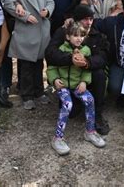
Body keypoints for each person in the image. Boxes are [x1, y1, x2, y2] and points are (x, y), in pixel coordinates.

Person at [45, 4, 111, 135]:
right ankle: (76, 102)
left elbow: (103, 57)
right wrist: (71, 59)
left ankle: (97, 114)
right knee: (72, 112)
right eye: (85, 19)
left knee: (99, 74)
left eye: (91, 19)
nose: (89, 22)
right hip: (68, 77)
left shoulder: (96, 33)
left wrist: (87, 62)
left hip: (86, 76)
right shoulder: (64, 31)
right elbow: (50, 53)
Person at [47, 22, 106, 155]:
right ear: (68, 37)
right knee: (68, 104)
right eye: (75, 35)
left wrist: (84, 82)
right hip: (63, 86)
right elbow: (52, 67)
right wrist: (55, 80)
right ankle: (57, 138)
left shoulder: (86, 50)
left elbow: (87, 69)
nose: (78, 38)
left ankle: (90, 132)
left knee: (90, 100)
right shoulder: (61, 49)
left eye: (82, 35)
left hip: (76, 86)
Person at [4, 0, 55, 110]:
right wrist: (25, 16)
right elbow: (8, 3)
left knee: (39, 64)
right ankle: (27, 95)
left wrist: (47, 11)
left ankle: (39, 92)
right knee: (25, 65)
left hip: (41, 29)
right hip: (26, 30)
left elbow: (50, 2)